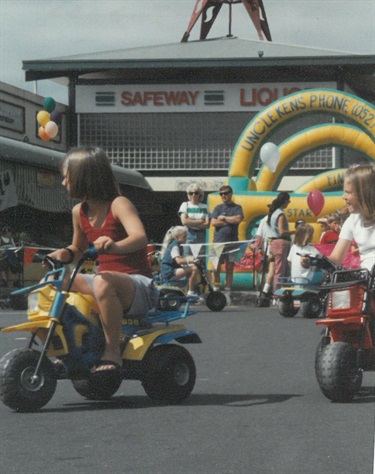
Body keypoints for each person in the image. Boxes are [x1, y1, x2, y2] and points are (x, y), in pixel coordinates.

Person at [47, 146, 159, 373]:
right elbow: (78, 248)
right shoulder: (79, 211)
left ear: (83, 177)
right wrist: (64, 254)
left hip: (138, 285)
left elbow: (140, 237)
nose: (63, 183)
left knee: (102, 281)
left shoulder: (119, 204)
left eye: (66, 177)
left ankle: (112, 350)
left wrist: (115, 246)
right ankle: (69, 346)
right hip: (105, 282)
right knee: (57, 279)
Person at [327, 164, 375, 272]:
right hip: (368, 281)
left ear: (363, 193)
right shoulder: (352, 220)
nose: (343, 196)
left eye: (348, 192)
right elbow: (336, 258)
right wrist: (315, 261)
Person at [210, 185, 244, 292]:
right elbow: (213, 222)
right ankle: (216, 288)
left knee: (230, 267)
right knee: (216, 267)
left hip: (232, 242)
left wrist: (224, 218)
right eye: (221, 194)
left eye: (226, 193)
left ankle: (228, 289)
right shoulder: (217, 208)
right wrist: (230, 221)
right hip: (218, 241)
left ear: (231, 194)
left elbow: (238, 219)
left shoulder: (237, 207)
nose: (223, 195)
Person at [178, 183, 210, 287]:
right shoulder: (185, 205)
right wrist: (200, 221)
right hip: (189, 234)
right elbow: (184, 222)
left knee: (200, 262)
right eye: (191, 193)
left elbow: (207, 224)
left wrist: (191, 221)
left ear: (200, 195)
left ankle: (199, 287)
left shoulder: (205, 207)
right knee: (188, 262)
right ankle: (188, 287)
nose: (193, 195)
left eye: (196, 193)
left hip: (201, 235)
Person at [266, 191, 295, 291]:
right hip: (280, 243)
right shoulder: (280, 214)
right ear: (285, 201)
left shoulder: (273, 213)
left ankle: (272, 290)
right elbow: (282, 231)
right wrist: (295, 231)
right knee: (280, 270)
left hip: (273, 243)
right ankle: (278, 293)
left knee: (274, 269)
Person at [160, 226, 199, 296]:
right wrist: (190, 260)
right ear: (178, 237)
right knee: (194, 269)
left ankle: (189, 288)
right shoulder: (175, 246)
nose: (186, 238)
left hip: (171, 269)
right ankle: (190, 292)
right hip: (169, 272)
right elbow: (179, 261)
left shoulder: (177, 244)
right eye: (184, 237)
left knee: (189, 268)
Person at [250, 214, 275, 297]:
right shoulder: (265, 219)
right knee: (262, 270)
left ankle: (265, 289)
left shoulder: (269, 219)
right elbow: (257, 238)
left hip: (268, 250)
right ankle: (261, 289)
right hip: (265, 250)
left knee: (267, 270)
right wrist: (260, 248)